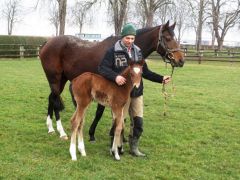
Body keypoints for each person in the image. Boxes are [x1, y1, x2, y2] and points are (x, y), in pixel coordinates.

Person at [98, 23, 171, 157]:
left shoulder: (138, 52)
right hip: (119, 93)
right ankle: (116, 146)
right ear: (122, 37)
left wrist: (161, 78)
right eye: (127, 38)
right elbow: (102, 68)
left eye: (132, 38)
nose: (130, 41)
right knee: (119, 120)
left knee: (138, 121)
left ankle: (134, 147)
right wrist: (116, 77)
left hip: (137, 92)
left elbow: (146, 72)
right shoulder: (112, 51)